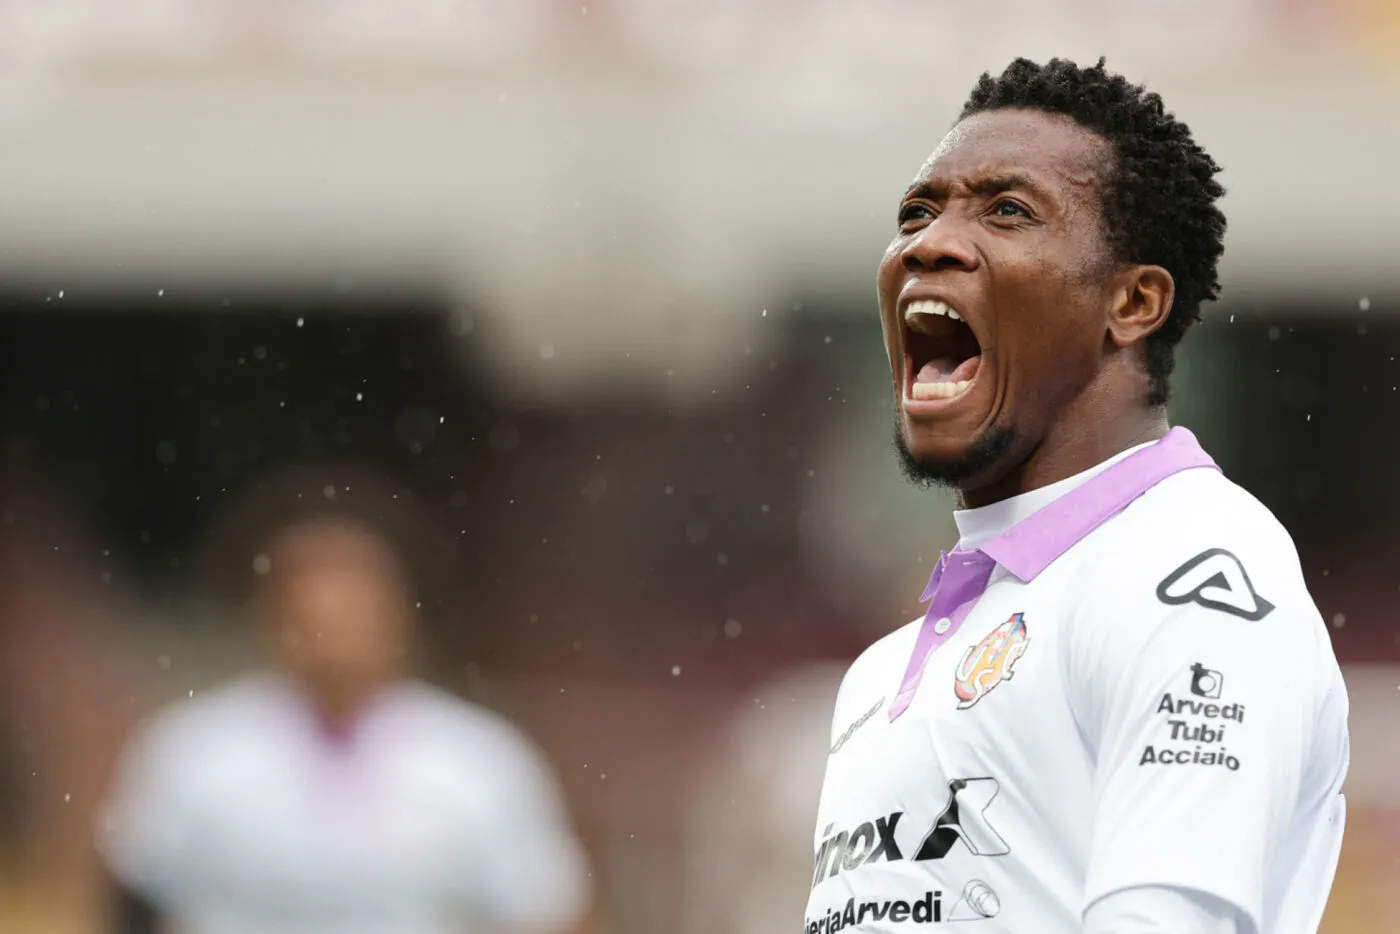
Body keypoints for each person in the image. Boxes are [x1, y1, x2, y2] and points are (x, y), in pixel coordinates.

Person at [804, 58, 1348, 934]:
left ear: (1132, 302)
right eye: (917, 213)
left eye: (1007, 211)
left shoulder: (1188, 569)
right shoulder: (877, 675)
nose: (927, 245)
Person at [97, 488, 590, 934]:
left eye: (352, 610)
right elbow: (134, 893)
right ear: (269, 616)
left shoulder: (477, 760)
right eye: (312, 611)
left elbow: (543, 909)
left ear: (401, 616)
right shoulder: (194, 750)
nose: (332, 637)